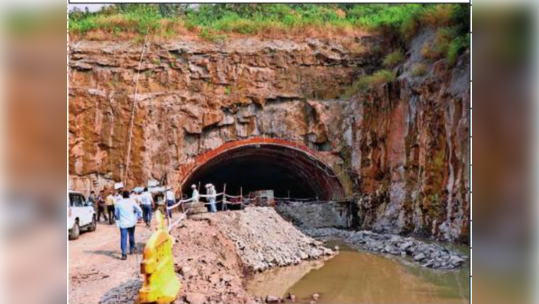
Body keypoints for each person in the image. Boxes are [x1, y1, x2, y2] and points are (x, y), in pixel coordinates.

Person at [115, 190, 142, 260]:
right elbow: (139, 210)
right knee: (131, 235)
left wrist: (118, 218)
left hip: (123, 223)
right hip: (131, 222)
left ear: (123, 196)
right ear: (129, 195)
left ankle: (124, 254)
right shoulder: (132, 202)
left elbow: (116, 214)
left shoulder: (118, 203)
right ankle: (131, 250)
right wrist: (139, 217)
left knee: (123, 237)